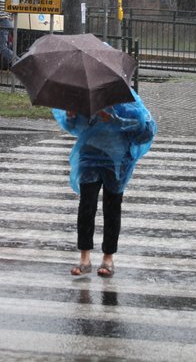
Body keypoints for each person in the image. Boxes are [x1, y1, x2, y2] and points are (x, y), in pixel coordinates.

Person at [53, 90, 156, 278]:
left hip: (117, 160)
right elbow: (74, 127)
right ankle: (84, 258)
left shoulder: (125, 96)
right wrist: (71, 117)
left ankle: (108, 258)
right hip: (89, 156)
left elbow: (143, 126)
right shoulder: (81, 95)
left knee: (112, 208)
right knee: (86, 206)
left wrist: (114, 119)